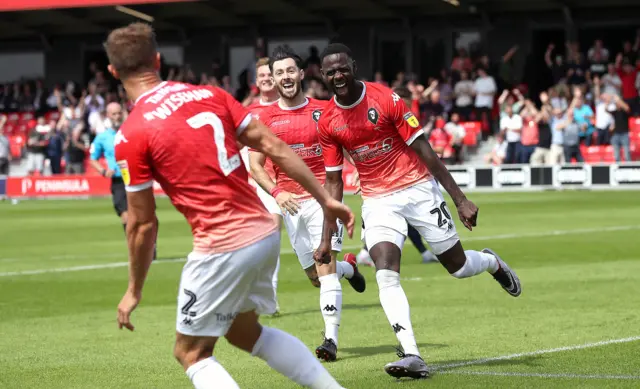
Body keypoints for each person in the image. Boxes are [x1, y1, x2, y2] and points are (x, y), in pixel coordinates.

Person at [107, 23, 351, 389]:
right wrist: (327, 199)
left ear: (113, 72)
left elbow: (142, 224)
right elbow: (276, 147)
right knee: (245, 333)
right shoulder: (211, 95)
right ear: (158, 60)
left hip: (221, 246)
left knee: (190, 353)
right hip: (263, 233)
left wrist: (133, 289)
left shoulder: (131, 133)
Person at [315, 43, 521, 380]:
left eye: (342, 68)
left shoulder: (386, 99)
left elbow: (426, 151)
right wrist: (327, 240)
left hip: (418, 189)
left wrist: (460, 199)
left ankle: (490, 262)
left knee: (458, 266)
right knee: (385, 271)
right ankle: (412, 352)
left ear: (352, 66)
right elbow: (333, 184)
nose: (338, 75)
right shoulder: (327, 122)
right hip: (378, 200)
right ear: (323, 76)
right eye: (330, 71)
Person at [249, 46, 365, 362]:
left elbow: (350, 143)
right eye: (279, 73)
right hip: (291, 205)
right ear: (272, 79)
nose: (286, 77)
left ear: (301, 74)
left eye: (290, 71)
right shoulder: (264, 119)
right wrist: (276, 193)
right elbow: (255, 165)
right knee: (316, 277)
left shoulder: (326, 110)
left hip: (324, 198)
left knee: (324, 265)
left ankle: (330, 339)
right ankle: (350, 269)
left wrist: (362, 176)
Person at [354, 85, 439, 267]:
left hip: (403, 179)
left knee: (402, 220)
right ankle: (364, 252)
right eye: (404, 104)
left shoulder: (403, 119)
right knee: (388, 220)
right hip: (388, 182)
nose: (405, 109)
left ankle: (423, 252)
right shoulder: (381, 121)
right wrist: (360, 171)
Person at [241, 57, 283, 315]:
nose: (266, 79)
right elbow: (236, 144)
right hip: (259, 181)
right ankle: (269, 297)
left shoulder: (289, 104)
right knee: (269, 236)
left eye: (270, 75)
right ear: (256, 82)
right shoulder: (248, 112)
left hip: (287, 180)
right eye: (262, 76)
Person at [90, 102, 158, 260]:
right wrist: (103, 171)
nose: (117, 116)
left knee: (146, 216)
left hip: (137, 178)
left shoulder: (132, 132)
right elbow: (93, 158)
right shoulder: (102, 137)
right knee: (126, 217)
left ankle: (150, 245)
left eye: (119, 113)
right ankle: (136, 248)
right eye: (113, 114)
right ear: (108, 116)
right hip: (119, 181)